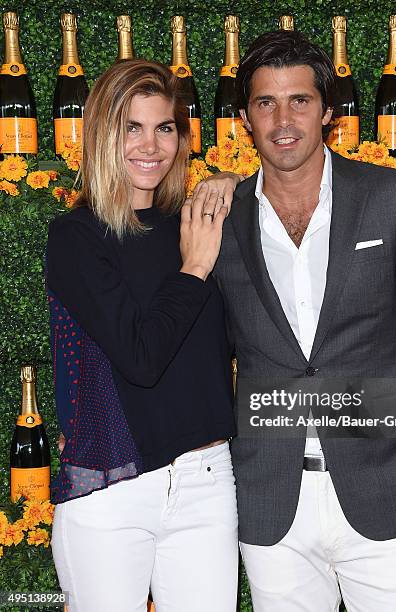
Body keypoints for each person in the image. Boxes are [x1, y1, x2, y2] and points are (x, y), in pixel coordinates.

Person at [210, 31, 396, 611]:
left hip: (384, 489)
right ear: (244, 118)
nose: (283, 119)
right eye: (265, 103)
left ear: (328, 111)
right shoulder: (218, 216)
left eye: (300, 101)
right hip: (269, 497)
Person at [46, 59, 240, 612]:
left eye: (165, 127)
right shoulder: (77, 237)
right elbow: (142, 358)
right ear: (104, 134)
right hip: (113, 493)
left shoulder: (193, 223)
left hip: (206, 480)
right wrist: (195, 269)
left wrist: (233, 185)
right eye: (133, 127)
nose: (151, 145)